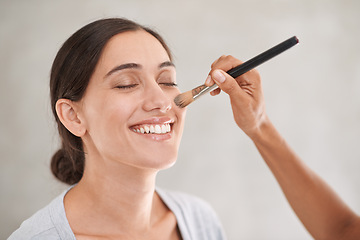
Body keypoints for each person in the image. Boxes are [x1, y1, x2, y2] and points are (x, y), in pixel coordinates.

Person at [9, 18, 225, 240]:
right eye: (126, 84)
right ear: (73, 116)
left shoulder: (201, 222)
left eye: (167, 81)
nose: (162, 101)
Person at [204, 56, 360, 240]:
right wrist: (258, 125)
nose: (163, 103)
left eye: (168, 82)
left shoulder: (199, 218)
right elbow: (343, 230)